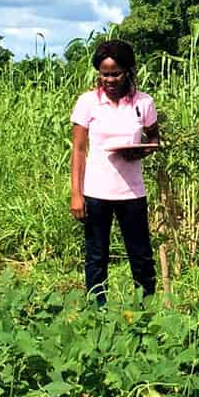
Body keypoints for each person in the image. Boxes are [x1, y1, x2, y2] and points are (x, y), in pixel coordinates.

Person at [69, 39, 159, 305]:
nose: (110, 79)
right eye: (105, 74)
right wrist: (76, 194)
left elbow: (154, 140)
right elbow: (78, 150)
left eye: (116, 73)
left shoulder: (143, 103)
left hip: (132, 192)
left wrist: (139, 151)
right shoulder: (88, 102)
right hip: (96, 191)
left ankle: (146, 308)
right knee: (97, 255)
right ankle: (97, 310)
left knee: (140, 254)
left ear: (128, 71)